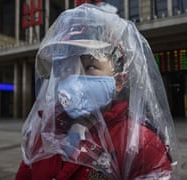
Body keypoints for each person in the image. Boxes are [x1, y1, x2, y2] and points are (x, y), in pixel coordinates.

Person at [15, 3, 178, 180]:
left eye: (90, 66)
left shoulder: (140, 144)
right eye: (66, 69)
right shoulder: (46, 132)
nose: (74, 79)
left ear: (118, 80)